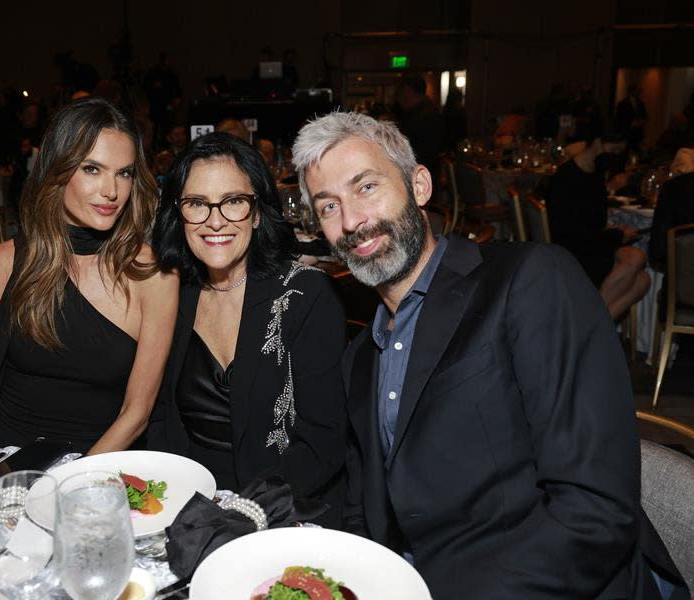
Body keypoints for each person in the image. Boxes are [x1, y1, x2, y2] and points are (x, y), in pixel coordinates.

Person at [292, 112, 686, 599]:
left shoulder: (531, 283)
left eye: (366, 188)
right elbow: (364, 515)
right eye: (329, 207)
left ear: (419, 185)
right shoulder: (360, 360)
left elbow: (595, 512)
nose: (352, 221)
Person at [0, 99, 178, 454]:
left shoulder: (153, 274)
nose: (111, 191)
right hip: (4, 457)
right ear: (58, 170)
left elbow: (137, 414)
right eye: (91, 169)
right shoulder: (7, 262)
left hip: (97, 463)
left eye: (124, 173)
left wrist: (74, 483)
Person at [149, 132, 347, 525]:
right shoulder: (172, 292)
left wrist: (240, 515)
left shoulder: (305, 295)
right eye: (197, 204)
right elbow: (161, 420)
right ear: (179, 212)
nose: (215, 220)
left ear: (257, 213)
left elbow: (323, 443)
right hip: (191, 507)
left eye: (234, 202)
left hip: (286, 507)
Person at [547, 132, 650, 319]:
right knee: (636, 262)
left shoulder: (595, 174)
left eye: (620, 151)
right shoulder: (566, 177)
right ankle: (589, 326)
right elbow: (573, 234)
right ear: (597, 142)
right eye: (614, 149)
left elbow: (592, 224)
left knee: (643, 279)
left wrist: (614, 232)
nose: (616, 155)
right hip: (572, 254)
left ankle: (587, 327)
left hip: (589, 246)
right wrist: (617, 235)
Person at [616, 83, 648, 153]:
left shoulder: (641, 103)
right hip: (626, 132)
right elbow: (619, 119)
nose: (638, 92)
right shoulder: (623, 104)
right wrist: (630, 123)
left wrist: (641, 121)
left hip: (637, 133)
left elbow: (645, 116)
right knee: (625, 151)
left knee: (637, 151)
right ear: (631, 91)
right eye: (637, 90)